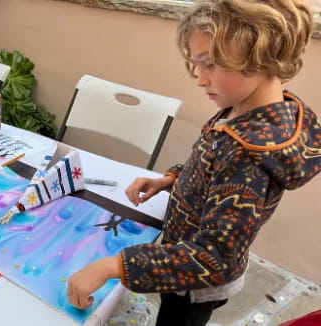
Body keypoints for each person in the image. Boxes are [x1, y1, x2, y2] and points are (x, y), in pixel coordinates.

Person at [67, 1, 321, 325]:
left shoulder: (250, 159)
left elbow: (212, 257)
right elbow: (209, 161)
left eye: (210, 64)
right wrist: (171, 178)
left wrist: (112, 266)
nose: (200, 79)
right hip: (181, 249)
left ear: (261, 56)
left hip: (194, 283)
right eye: (197, 64)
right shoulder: (241, 107)